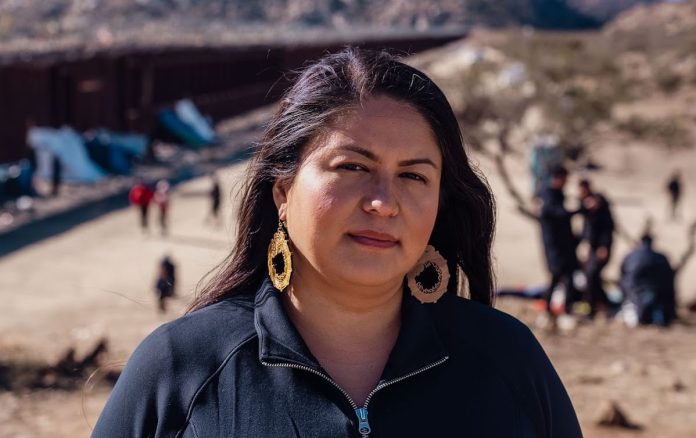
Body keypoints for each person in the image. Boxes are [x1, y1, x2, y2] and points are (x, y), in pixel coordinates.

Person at [93, 48, 582, 437]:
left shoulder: (505, 361)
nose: (383, 202)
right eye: (353, 167)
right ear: (282, 191)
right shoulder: (182, 368)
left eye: (413, 175)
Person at [538, 165, 580, 317]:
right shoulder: (548, 195)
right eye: (564, 179)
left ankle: (560, 308)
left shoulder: (557, 194)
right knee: (559, 276)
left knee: (565, 277)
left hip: (564, 245)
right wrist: (578, 210)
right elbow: (556, 214)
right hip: (555, 246)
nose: (565, 182)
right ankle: (552, 309)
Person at [619, 234, 676, 327]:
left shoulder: (630, 256)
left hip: (632, 295)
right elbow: (668, 280)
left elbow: (623, 276)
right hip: (655, 296)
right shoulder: (661, 257)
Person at [578, 179, 615, 318]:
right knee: (591, 276)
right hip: (590, 247)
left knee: (592, 275)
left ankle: (592, 307)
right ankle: (601, 303)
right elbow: (585, 230)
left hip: (600, 247)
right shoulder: (584, 205)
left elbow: (608, 227)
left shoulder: (599, 203)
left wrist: (604, 246)